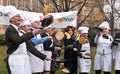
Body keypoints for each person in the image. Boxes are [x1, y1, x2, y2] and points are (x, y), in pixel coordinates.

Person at [4, 5, 51, 74]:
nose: (19, 18)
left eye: (19, 16)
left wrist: (44, 57)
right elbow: (17, 40)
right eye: (17, 16)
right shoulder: (10, 29)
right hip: (16, 60)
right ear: (11, 19)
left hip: (24, 60)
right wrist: (32, 33)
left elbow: (30, 47)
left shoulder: (19, 31)